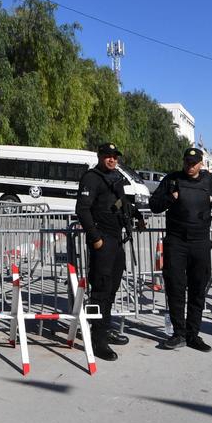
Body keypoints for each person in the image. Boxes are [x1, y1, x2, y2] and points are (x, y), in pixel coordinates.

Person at [150, 146, 212, 352]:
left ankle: (193, 334)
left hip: (200, 243)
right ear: (183, 161)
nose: (190, 166)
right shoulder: (171, 179)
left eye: (194, 163)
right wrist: (171, 197)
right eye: (187, 162)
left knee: (198, 290)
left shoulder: (208, 182)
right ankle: (179, 334)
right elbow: (154, 205)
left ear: (201, 164)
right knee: (176, 289)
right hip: (176, 242)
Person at [74, 143, 145, 362]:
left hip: (116, 240)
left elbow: (121, 203)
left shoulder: (115, 178)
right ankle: (98, 340)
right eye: (108, 156)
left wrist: (137, 215)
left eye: (115, 157)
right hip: (103, 240)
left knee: (112, 287)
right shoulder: (91, 178)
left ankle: (104, 328)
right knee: (100, 289)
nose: (112, 160)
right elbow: (82, 210)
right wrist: (96, 239)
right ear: (100, 156)